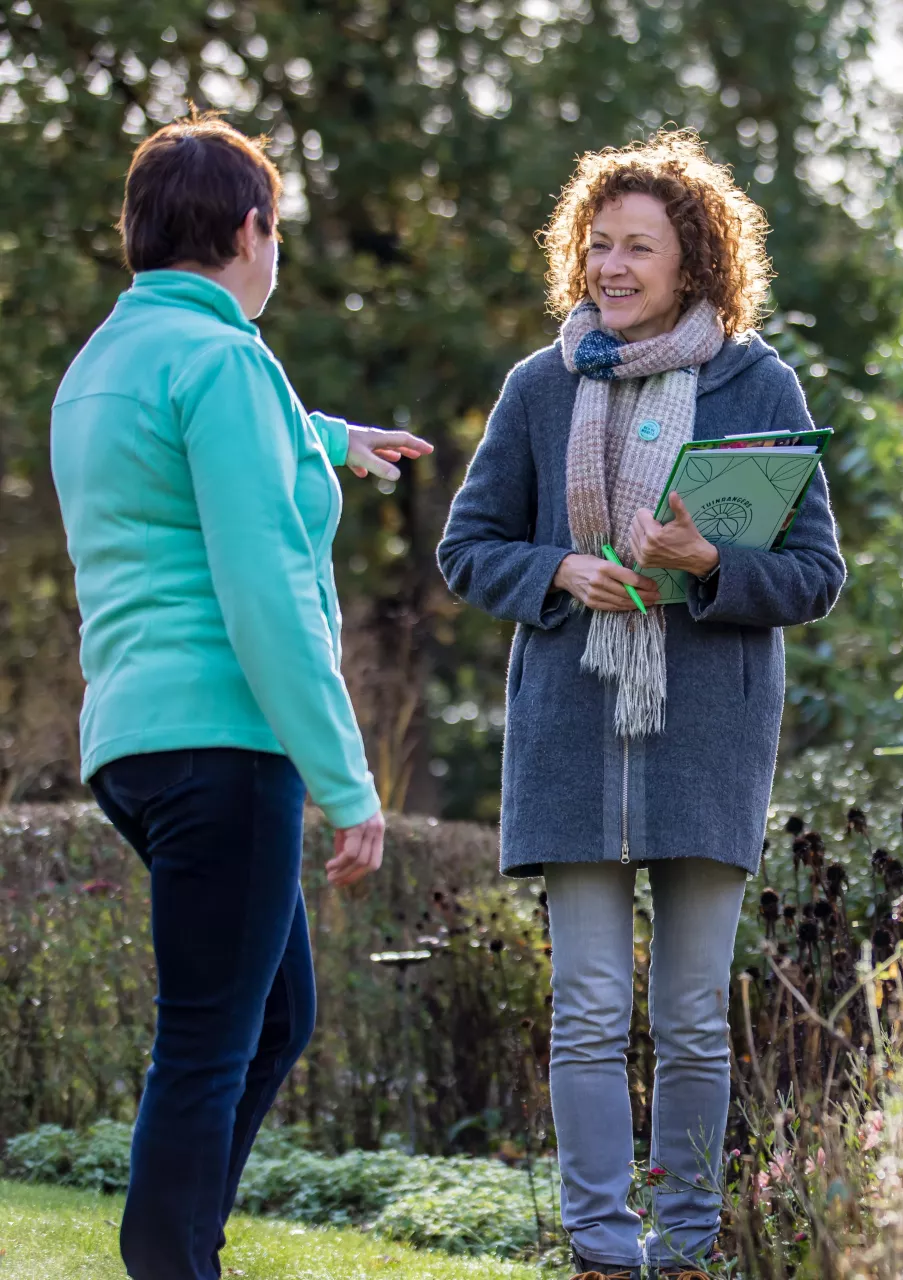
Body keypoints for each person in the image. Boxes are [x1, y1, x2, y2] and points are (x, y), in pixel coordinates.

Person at [438, 131, 845, 1280]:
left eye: (639, 247)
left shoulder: (757, 381)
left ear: (693, 261)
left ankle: (693, 1248)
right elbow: (466, 546)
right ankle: (604, 1253)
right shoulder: (538, 385)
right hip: (571, 730)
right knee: (587, 1006)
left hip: (705, 734)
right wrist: (561, 571)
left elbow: (816, 575)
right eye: (599, 244)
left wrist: (709, 559)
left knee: (695, 1013)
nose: (612, 266)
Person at [47, 113, 430, 1280]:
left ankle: (183, 1248)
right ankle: (170, 1263)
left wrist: (318, 434)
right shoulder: (225, 362)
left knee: (270, 1018)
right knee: (214, 1036)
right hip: (224, 737)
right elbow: (263, 585)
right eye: (278, 234)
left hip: (135, 741)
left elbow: (177, 460)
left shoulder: (108, 362)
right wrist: (348, 779)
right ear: (250, 229)